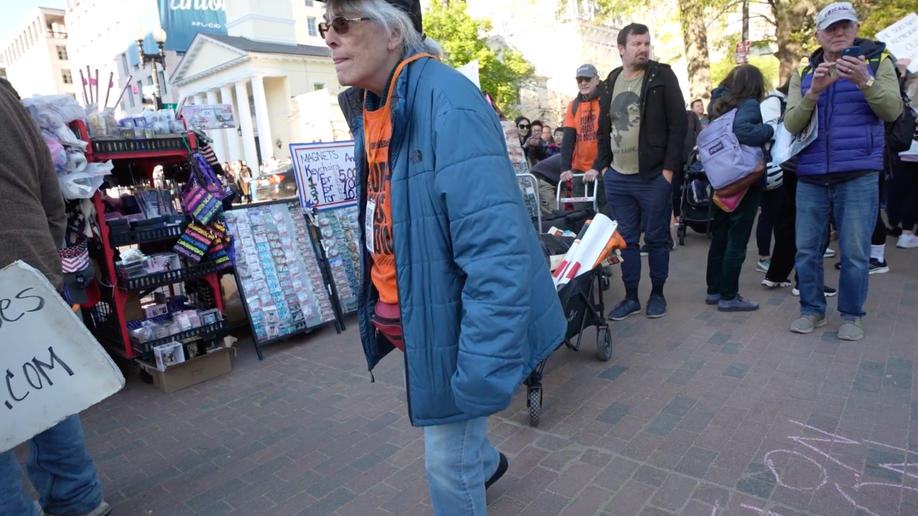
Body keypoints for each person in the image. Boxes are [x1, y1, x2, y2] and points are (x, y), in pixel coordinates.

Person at [320, 1, 566, 514]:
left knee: (444, 466)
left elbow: (497, 255)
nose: (330, 37)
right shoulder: (375, 105)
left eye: (343, 23)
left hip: (451, 328)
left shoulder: (447, 101)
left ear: (392, 33)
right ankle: (485, 460)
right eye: (326, 25)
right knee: (457, 447)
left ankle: (474, 463)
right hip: (421, 319)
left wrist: (482, 368)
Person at [0, 79, 111, 516]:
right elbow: (53, 190)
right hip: (30, 265)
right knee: (46, 387)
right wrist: (42, 256)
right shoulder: (7, 95)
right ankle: (78, 499)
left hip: (28, 262)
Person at [783, 2, 902, 341]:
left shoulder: (879, 62)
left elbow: (892, 110)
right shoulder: (803, 73)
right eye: (831, 28)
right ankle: (812, 310)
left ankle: (851, 315)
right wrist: (813, 93)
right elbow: (792, 123)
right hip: (811, 175)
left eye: (845, 26)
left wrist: (865, 81)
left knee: (854, 252)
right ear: (819, 35)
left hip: (858, 174)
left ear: (855, 29)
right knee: (806, 250)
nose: (838, 33)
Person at [592, 23, 688, 320]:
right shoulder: (610, 81)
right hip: (618, 178)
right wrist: (604, 167)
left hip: (654, 177)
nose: (643, 48)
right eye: (636, 44)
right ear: (621, 49)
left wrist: (669, 171)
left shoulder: (662, 75)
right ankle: (631, 297)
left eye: (646, 43)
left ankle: (657, 294)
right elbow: (603, 127)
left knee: (657, 239)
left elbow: (679, 125)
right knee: (627, 240)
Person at [704, 65, 774, 312]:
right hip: (744, 179)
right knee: (737, 238)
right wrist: (769, 130)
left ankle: (714, 290)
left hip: (721, 177)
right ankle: (729, 295)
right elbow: (743, 130)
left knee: (720, 235)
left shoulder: (718, 102)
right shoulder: (750, 103)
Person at [560, 63, 609, 215]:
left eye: (587, 79)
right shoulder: (573, 105)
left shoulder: (605, 101)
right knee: (580, 217)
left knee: (608, 217)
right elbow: (568, 138)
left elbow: (608, 138)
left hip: (603, 168)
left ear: (596, 80)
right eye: (579, 80)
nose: (583, 83)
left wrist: (597, 167)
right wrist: (565, 168)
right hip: (580, 169)